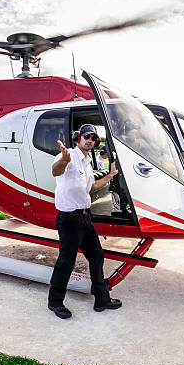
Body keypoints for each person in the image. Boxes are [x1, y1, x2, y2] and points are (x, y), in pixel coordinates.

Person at [48, 124, 121, 319]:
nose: (90, 140)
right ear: (78, 137)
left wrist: (111, 175)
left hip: (85, 217)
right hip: (69, 219)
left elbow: (91, 187)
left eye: (94, 138)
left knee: (97, 257)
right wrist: (63, 160)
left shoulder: (88, 162)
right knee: (66, 262)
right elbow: (56, 171)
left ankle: (102, 299)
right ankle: (55, 302)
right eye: (87, 136)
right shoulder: (69, 156)